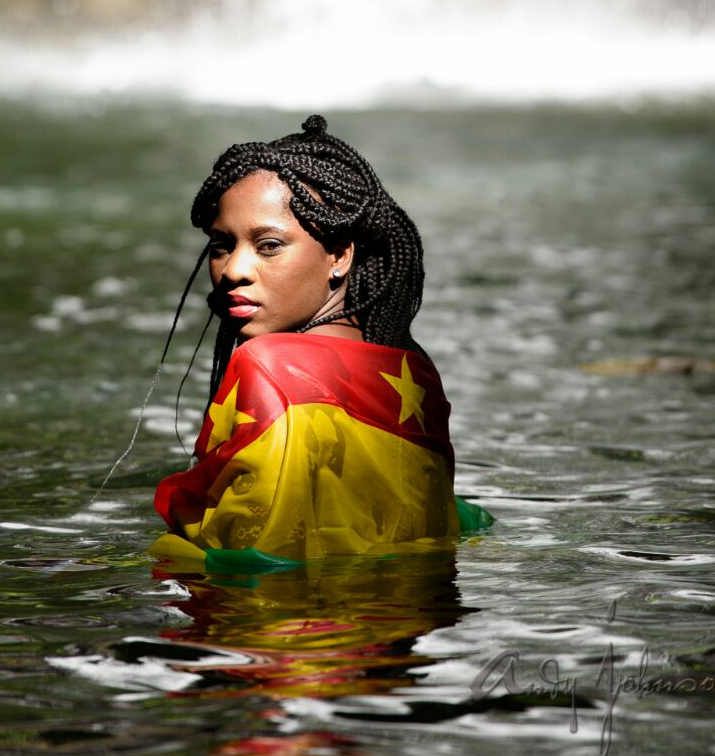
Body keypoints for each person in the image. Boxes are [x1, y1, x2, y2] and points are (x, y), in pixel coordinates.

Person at [151, 114, 489, 566]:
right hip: (405, 608)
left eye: (269, 245)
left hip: (283, 610)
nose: (233, 270)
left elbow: (253, 552)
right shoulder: (413, 373)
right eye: (221, 246)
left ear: (340, 255)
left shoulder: (269, 366)